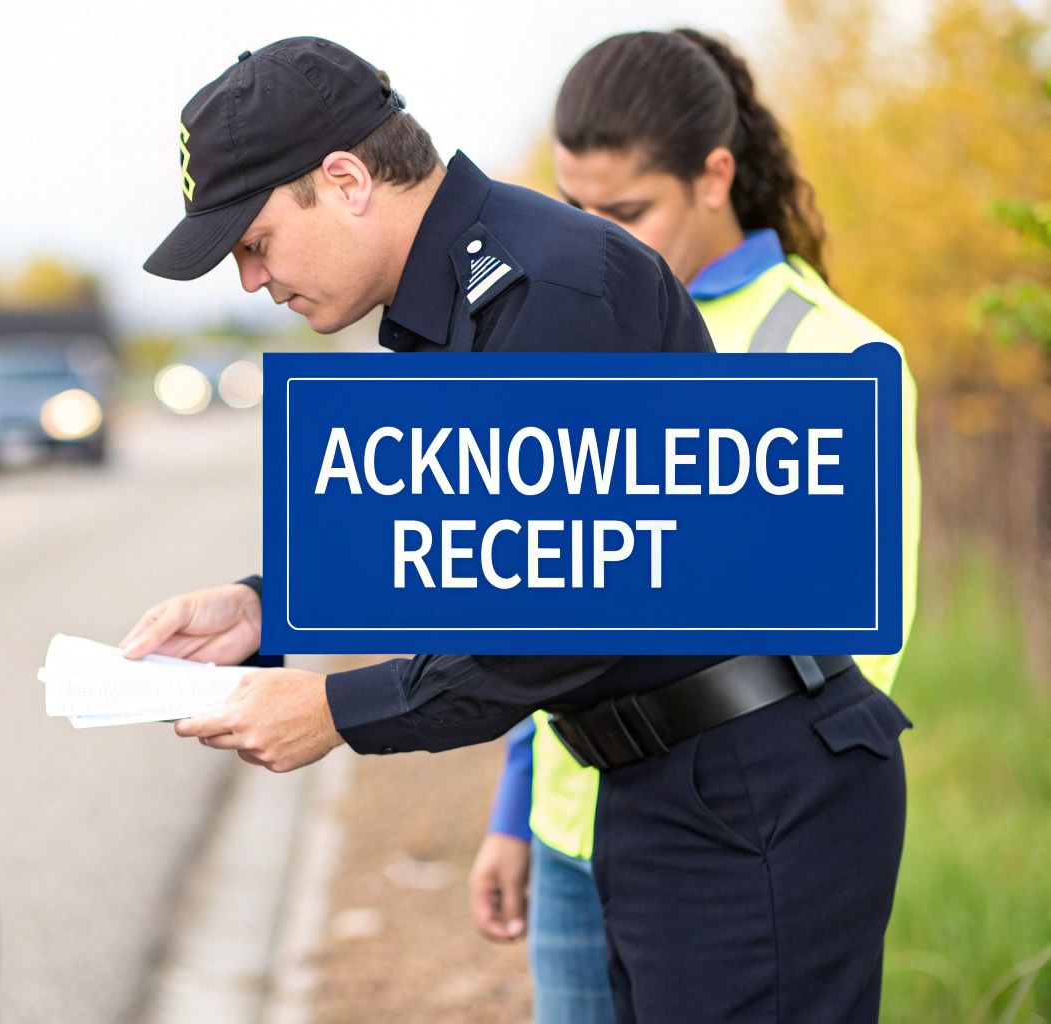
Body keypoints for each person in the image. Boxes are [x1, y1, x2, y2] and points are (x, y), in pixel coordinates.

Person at [123, 36, 911, 1023]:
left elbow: (550, 619)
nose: (249, 279)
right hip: (670, 783)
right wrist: (257, 608)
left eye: (255, 239)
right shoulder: (448, 302)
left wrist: (332, 711)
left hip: (749, 790)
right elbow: (452, 542)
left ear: (344, 179)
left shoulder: (543, 294)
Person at [463, 30, 923, 1024]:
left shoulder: (829, 355)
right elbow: (546, 589)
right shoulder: (564, 337)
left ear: (713, 175)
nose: (587, 239)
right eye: (570, 209)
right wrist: (514, 813)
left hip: (726, 844)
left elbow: (851, 659)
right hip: (568, 833)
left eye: (623, 213)